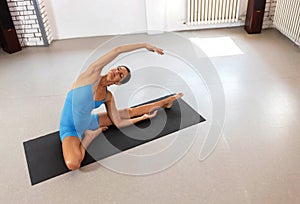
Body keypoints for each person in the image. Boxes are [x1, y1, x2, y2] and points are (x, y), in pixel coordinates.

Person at [59, 43, 183, 170]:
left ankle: (166, 101)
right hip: (70, 128)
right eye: (118, 69)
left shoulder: (108, 96)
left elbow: (117, 122)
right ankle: (90, 136)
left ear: (118, 83)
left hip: (89, 121)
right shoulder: (91, 75)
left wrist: (142, 118)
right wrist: (145, 45)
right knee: (73, 164)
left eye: (121, 75)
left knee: (129, 112)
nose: (116, 72)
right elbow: (118, 50)